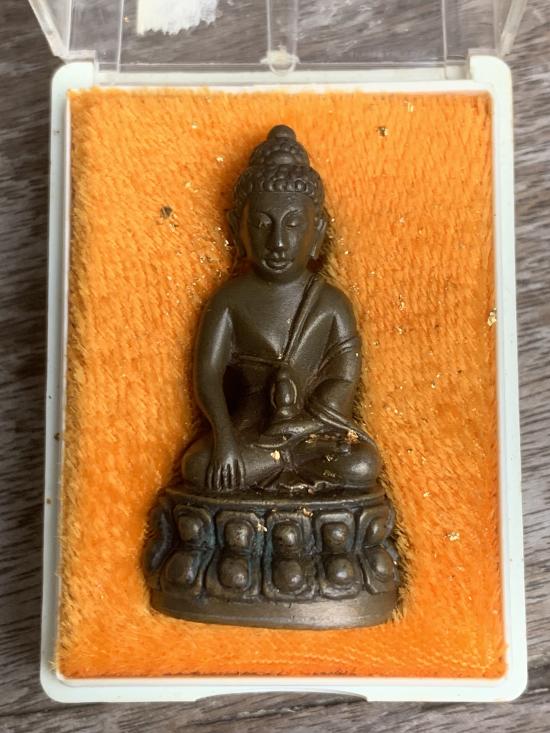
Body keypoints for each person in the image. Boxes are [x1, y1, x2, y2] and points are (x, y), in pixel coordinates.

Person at [181, 125, 380, 494]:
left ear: (317, 230)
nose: (278, 242)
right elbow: (207, 376)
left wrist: (304, 425)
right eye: (261, 224)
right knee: (197, 466)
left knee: (363, 463)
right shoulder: (228, 300)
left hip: (310, 435)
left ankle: (279, 467)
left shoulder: (332, 304)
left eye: (293, 224)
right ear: (238, 228)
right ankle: (280, 468)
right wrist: (224, 439)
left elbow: (343, 380)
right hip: (249, 434)